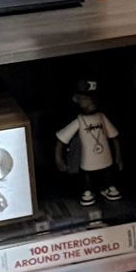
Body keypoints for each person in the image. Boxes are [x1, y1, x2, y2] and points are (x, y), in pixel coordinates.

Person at [55, 77, 123, 205]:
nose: (91, 102)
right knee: (87, 176)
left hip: (105, 156)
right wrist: (59, 159)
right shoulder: (79, 121)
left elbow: (114, 137)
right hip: (87, 159)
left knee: (107, 172)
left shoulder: (101, 117)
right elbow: (61, 139)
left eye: (93, 98)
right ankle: (87, 190)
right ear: (76, 99)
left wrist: (119, 157)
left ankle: (108, 187)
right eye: (86, 99)